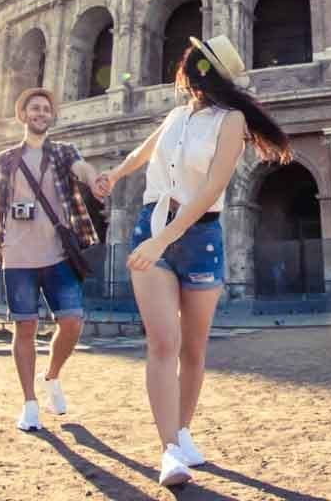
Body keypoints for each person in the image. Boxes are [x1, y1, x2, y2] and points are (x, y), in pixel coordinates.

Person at [95, 35, 292, 486]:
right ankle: (169, 451)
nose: (188, 68)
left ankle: (182, 432)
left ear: (207, 72)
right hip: (153, 226)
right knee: (163, 343)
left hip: (199, 235)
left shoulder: (232, 120)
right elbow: (143, 152)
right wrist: (115, 174)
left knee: (194, 349)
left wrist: (162, 239)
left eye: (196, 62)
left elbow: (209, 190)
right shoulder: (175, 116)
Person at [0, 87, 106, 432]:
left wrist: (96, 181)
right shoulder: (5, 160)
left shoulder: (64, 152)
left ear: (52, 116)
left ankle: (53, 376)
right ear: (23, 115)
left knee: (73, 321)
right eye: (34, 108)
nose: (41, 114)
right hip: (17, 257)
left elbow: (82, 169)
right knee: (26, 328)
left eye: (46, 109)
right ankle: (29, 403)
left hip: (59, 255)